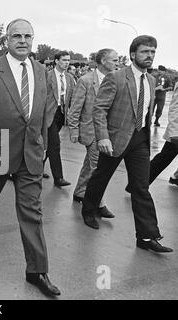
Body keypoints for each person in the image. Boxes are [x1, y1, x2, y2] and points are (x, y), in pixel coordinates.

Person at [0, 18, 60, 297]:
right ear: (7, 40)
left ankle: (37, 271)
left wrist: (41, 138)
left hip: (30, 152)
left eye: (28, 36)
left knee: (32, 212)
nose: (23, 40)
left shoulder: (42, 70)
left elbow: (48, 106)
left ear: (33, 40)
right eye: (17, 36)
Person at [80, 35, 173, 253]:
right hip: (115, 139)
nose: (149, 56)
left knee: (141, 187)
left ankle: (147, 236)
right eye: (145, 52)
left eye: (153, 52)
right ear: (133, 54)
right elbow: (99, 109)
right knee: (101, 177)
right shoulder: (116, 77)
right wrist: (102, 136)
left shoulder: (151, 80)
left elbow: (146, 113)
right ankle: (88, 209)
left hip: (140, 141)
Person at [67, 48, 119, 220]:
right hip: (91, 130)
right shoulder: (86, 80)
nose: (117, 63)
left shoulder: (116, 80)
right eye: (114, 60)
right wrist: (74, 130)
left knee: (90, 165)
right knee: (98, 169)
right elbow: (75, 108)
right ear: (103, 61)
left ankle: (80, 192)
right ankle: (99, 203)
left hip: (106, 131)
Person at [44, 51, 75, 187]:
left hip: (61, 114)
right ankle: (58, 178)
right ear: (56, 61)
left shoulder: (69, 78)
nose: (67, 63)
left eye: (68, 60)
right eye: (64, 60)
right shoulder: (47, 75)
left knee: (50, 145)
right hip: (49, 114)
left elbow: (73, 96)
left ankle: (36, 169)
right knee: (55, 145)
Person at [147, 84, 178, 184]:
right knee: (164, 158)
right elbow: (175, 108)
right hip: (177, 133)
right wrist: (174, 131)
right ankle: (139, 184)